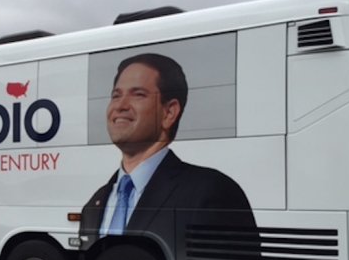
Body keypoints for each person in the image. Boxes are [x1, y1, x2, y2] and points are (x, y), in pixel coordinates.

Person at [79, 53, 257, 249]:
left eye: (138, 94)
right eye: (116, 95)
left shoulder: (211, 192)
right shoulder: (94, 205)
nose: (120, 106)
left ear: (169, 112)